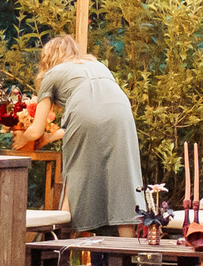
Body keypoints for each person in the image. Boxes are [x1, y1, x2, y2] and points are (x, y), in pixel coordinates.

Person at [14, 33, 142, 232]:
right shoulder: (97, 65)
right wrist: (52, 136)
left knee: (76, 174)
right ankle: (127, 251)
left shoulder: (53, 74)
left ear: (48, 58)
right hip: (122, 114)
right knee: (122, 177)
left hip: (85, 116)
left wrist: (21, 139)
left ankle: (69, 244)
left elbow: (36, 129)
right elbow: (96, 120)